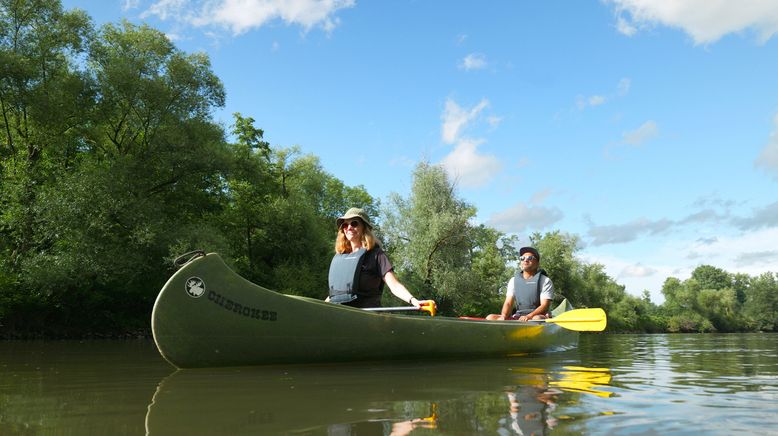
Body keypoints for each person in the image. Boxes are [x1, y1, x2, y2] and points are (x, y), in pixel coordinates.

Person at [326, 207, 435, 310]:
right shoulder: (341, 257)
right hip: (339, 314)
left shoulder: (377, 255)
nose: (349, 227)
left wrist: (414, 300)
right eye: (345, 225)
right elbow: (334, 295)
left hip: (366, 316)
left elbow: (394, 285)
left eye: (354, 223)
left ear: (364, 228)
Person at [486, 246, 554, 321]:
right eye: (522, 258)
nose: (525, 260)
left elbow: (544, 306)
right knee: (490, 317)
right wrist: (503, 316)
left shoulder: (545, 281)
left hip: (538, 316)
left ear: (537, 263)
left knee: (536, 319)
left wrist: (529, 316)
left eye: (530, 258)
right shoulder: (513, 280)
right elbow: (508, 302)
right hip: (519, 316)